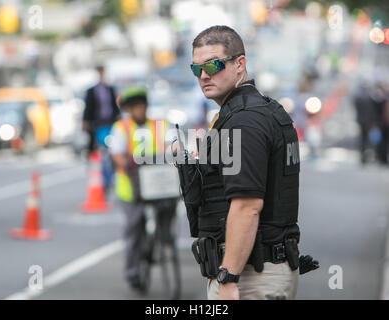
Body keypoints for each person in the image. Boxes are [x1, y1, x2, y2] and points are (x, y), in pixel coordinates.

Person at [176, 25, 318, 300]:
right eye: (196, 69)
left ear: (240, 64)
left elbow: (247, 206)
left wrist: (229, 277)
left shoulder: (244, 122)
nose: (204, 75)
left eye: (213, 65)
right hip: (261, 269)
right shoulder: (261, 111)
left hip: (251, 276)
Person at [109, 86, 178, 290]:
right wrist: (128, 164)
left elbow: (174, 144)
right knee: (134, 227)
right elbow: (117, 156)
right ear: (128, 109)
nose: (138, 110)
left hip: (159, 187)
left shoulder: (161, 124)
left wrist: (175, 151)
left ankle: (165, 239)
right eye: (133, 106)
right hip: (131, 191)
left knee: (168, 211)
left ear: (146, 106)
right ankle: (132, 272)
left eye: (141, 105)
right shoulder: (121, 128)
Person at [82, 66, 120, 156]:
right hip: (97, 123)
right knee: (95, 145)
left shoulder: (110, 89)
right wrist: (85, 121)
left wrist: (118, 116)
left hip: (110, 121)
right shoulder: (91, 91)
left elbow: (115, 105)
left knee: (112, 142)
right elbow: (88, 107)